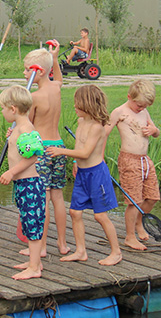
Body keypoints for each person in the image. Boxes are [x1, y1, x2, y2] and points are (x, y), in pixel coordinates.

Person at [46, 85, 121, 266]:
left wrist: (61, 152)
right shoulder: (81, 123)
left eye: (77, 104)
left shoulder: (96, 127)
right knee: (74, 212)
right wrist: (74, 162)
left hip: (96, 175)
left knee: (100, 215)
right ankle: (81, 251)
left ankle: (116, 252)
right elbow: (80, 148)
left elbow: (86, 153)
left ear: (87, 105)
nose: (74, 107)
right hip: (82, 173)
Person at [20, 45, 69, 257]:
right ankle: (63, 243)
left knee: (43, 198)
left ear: (38, 72)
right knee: (58, 197)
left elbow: (28, 127)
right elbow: (57, 77)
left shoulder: (34, 98)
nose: (23, 73)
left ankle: (41, 246)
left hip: (42, 150)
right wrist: (54, 58)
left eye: (26, 69)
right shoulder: (56, 88)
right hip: (59, 146)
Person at [0, 86, 46, 280]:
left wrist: (11, 172)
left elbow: (33, 156)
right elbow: (20, 151)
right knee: (27, 223)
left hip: (30, 185)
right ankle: (35, 261)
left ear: (13, 109)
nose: (1, 112)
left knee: (32, 225)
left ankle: (34, 268)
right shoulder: (19, 128)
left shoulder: (26, 129)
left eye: (2, 108)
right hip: (22, 185)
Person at [107, 80, 161, 252]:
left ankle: (139, 222)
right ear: (129, 97)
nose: (140, 108)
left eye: (144, 106)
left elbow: (156, 131)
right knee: (134, 201)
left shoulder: (144, 112)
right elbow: (103, 133)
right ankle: (130, 237)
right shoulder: (119, 112)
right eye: (138, 105)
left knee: (152, 197)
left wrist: (153, 131)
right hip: (129, 160)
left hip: (145, 160)